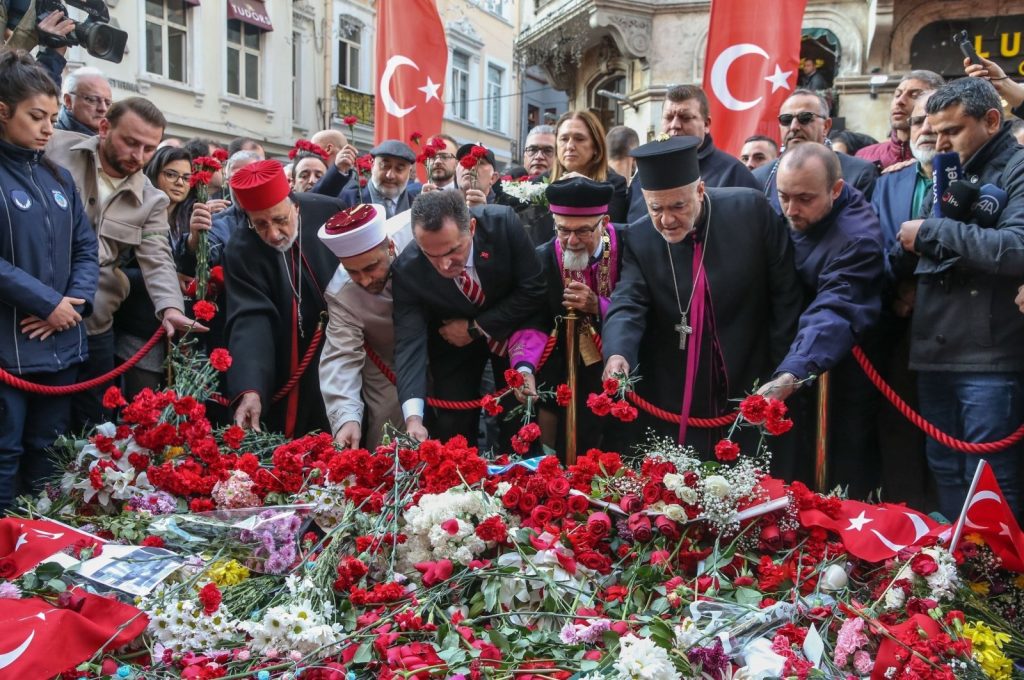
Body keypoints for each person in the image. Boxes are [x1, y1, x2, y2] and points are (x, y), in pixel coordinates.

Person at [602, 136, 803, 457]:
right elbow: (628, 302)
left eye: (677, 206)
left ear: (700, 190)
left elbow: (786, 296)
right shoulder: (641, 235)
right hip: (677, 385)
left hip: (749, 371)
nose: (666, 220)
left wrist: (781, 370)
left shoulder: (750, 211)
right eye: (656, 208)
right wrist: (618, 353)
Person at [891, 77, 1024, 521]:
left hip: (991, 355)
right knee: (945, 469)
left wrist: (929, 232)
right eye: (935, 129)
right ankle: (952, 576)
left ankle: (999, 583)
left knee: (992, 477)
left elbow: (1014, 247)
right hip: (934, 349)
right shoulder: (950, 167)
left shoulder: (1016, 166)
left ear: (991, 120)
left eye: (952, 130)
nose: (938, 140)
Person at [47, 97, 201, 427]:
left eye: (149, 148)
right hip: (38, 309)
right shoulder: (54, 146)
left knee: (94, 423)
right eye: (131, 143)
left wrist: (171, 308)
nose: (139, 157)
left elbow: (158, 257)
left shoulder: (151, 198)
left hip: (96, 322)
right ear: (104, 128)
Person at [0, 50, 98, 512]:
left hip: (61, 344)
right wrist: (46, 303)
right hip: (9, 348)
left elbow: (86, 246)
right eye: (36, 117)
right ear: (3, 112)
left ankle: (39, 550)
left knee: (51, 452)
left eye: (52, 117)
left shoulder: (56, 176)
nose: (47, 129)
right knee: (6, 454)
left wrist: (71, 305)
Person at [759, 143, 884, 491]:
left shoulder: (857, 238)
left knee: (838, 464)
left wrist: (793, 371)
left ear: (836, 190)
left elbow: (836, 307)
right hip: (791, 349)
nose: (790, 209)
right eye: (783, 196)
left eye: (804, 199)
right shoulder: (783, 201)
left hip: (838, 360)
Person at [392, 190, 546, 443]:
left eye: (453, 250)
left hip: (511, 329)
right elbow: (409, 341)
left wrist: (476, 327)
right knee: (453, 425)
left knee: (519, 420)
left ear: (472, 228)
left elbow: (534, 289)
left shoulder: (503, 225)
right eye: (432, 255)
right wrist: (413, 419)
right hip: (452, 347)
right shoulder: (408, 269)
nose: (444, 265)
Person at [223, 160, 345, 437]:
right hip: (283, 355)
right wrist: (250, 387)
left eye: (280, 220)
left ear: (296, 207)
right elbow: (250, 318)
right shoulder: (241, 248)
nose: (274, 234)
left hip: (343, 346)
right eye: (260, 224)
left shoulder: (329, 211)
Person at [509, 177, 628, 453]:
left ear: (604, 221)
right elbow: (532, 319)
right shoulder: (542, 258)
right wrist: (524, 368)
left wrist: (598, 305)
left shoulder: (629, 245)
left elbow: (640, 304)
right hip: (568, 372)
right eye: (563, 230)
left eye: (583, 231)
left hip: (623, 366)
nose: (571, 241)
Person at [869, 91, 937, 509]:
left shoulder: (980, 179)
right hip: (896, 325)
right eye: (916, 122)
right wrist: (899, 287)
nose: (925, 130)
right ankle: (905, 522)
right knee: (897, 430)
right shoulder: (889, 181)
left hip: (958, 327)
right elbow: (872, 244)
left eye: (934, 120)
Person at [318, 204, 413, 448]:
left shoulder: (417, 232)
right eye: (353, 272)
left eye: (371, 267)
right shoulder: (342, 294)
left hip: (445, 344)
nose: (365, 280)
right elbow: (340, 358)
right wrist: (347, 418)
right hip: (386, 361)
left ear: (390, 247)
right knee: (388, 434)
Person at [112, 146, 198, 396]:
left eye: (186, 177)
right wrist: (167, 279)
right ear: (154, 173)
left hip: (177, 336)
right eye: (171, 175)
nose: (180, 183)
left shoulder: (189, 217)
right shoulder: (133, 213)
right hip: (139, 330)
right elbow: (116, 271)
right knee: (142, 410)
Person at [626, 85, 760, 223]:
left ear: (706, 124)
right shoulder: (645, 173)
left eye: (685, 117)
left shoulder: (734, 174)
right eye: (668, 117)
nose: (674, 125)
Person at [753, 89, 879, 210]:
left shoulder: (859, 173)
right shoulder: (759, 178)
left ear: (826, 126)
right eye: (786, 120)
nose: (794, 127)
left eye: (805, 118)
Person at [552, 111, 629, 223]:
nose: (569, 146)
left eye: (579, 139)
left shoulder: (615, 185)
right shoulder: (543, 181)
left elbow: (610, 233)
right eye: (564, 139)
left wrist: (588, 188)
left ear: (596, 147)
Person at [340, 140, 422, 217]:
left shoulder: (418, 209)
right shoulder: (349, 200)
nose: (390, 176)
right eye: (384, 166)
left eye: (399, 169)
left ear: (409, 172)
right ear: (372, 164)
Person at [57, 66, 111, 135]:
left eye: (108, 103)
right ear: (68, 101)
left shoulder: (113, 139)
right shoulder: (49, 139)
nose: (103, 108)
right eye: (92, 100)